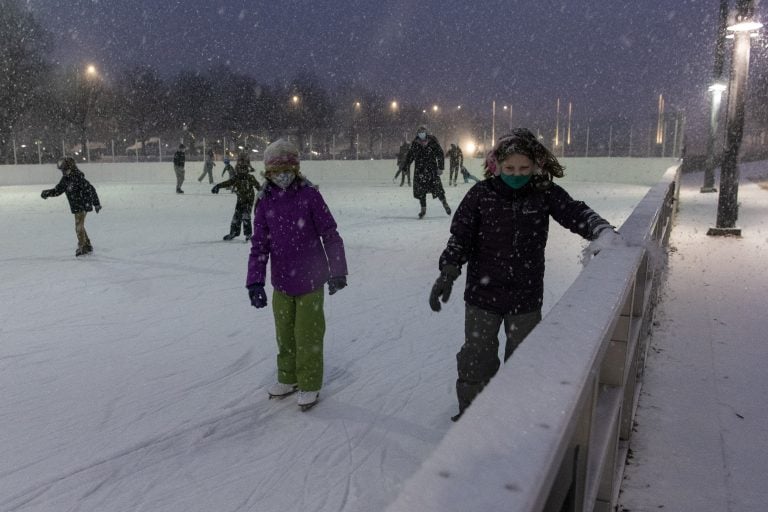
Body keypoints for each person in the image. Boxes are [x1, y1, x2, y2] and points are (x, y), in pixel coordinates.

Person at [428, 128, 620, 421]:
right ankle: (472, 415)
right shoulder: (480, 195)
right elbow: (460, 238)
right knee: (476, 359)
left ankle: (513, 417)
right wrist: (448, 271)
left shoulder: (544, 194)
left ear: (536, 167)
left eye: (524, 168)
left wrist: (600, 229)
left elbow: (575, 212)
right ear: (495, 166)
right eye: (509, 168)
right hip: (483, 296)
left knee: (524, 362)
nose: (516, 174)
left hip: (525, 297)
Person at [246, 139, 348, 411]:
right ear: (267, 172)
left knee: (308, 335)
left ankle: (310, 382)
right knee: (285, 335)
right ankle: (288, 378)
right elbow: (259, 245)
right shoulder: (265, 200)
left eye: (286, 169)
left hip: (311, 280)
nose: (281, 175)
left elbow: (330, 235)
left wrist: (337, 271)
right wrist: (255, 281)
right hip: (281, 282)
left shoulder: (309, 195)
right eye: (275, 171)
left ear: (296, 169)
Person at [40, 157, 102, 257]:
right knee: (80, 226)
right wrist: (47, 193)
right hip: (75, 206)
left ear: (71, 168)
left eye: (65, 170)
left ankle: (82, 247)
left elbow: (91, 189)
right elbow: (58, 190)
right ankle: (87, 244)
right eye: (62, 170)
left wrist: (96, 204)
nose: (63, 172)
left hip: (83, 205)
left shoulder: (78, 178)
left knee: (78, 227)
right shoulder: (65, 180)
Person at [401, 125, 450, 219]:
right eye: (420, 132)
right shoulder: (415, 143)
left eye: (423, 132)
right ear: (417, 134)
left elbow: (439, 154)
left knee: (438, 188)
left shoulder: (432, 141)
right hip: (420, 171)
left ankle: (445, 203)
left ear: (426, 133)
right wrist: (405, 167)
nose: (421, 134)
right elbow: (409, 156)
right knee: (421, 191)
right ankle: (423, 210)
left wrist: (440, 167)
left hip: (431, 170)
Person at [211, 158, 261, 240]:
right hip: (240, 200)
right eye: (240, 169)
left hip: (248, 200)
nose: (241, 171)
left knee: (246, 216)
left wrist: (264, 194)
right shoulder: (236, 177)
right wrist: (218, 186)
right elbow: (228, 182)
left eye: (243, 169)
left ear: (246, 170)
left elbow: (258, 187)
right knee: (236, 217)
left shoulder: (250, 177)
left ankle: (248, 234)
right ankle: (233, 233)